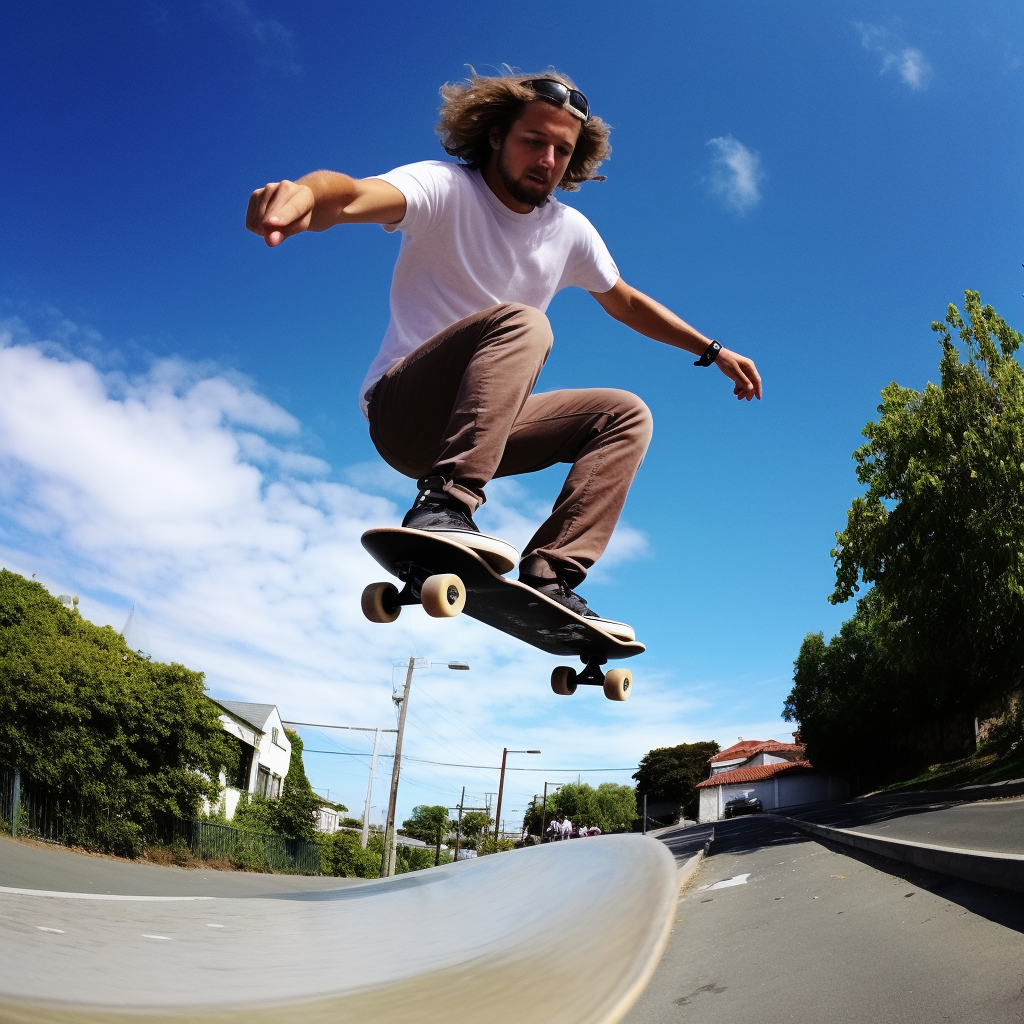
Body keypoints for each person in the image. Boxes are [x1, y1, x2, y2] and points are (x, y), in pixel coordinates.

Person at [246, 71, 761, 633]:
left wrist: (712, 349)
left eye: (561, 151)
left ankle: (551, 575)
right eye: (533, 141)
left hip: (483, 426)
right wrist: (307, 193)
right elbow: (354, 195)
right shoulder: (444, 187)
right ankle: (444, 505)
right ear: (495, 137)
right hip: (404, 412)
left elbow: (627, 302)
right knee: (525, 323)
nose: (546, 161)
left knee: (625, 415)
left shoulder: (571, 231)